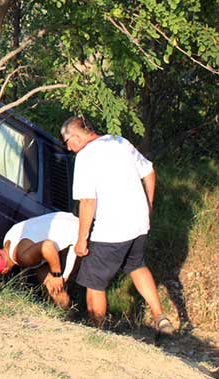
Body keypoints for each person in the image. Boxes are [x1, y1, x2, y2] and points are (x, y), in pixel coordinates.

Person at [60, 116, 175, 338]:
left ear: (75, 135)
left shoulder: (85, 156)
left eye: (67, 142)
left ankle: (98, 333)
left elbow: (87, 202)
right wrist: (148, 205)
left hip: (111, 229)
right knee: (137, 266)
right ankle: (160, 316)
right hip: (139, 223)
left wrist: (82, 239)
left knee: (94, 281)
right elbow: (149, 171)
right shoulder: (119, 141)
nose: (68, 148)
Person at [0, 211, 80, 309]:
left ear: (4, 270)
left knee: (56, 286)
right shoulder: (9, 237)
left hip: (77, 237)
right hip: (69, 218)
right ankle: (57, 312)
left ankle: (69, 314)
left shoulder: (22, 257)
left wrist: (57, 275)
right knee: (45, 278)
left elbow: (47, 246)